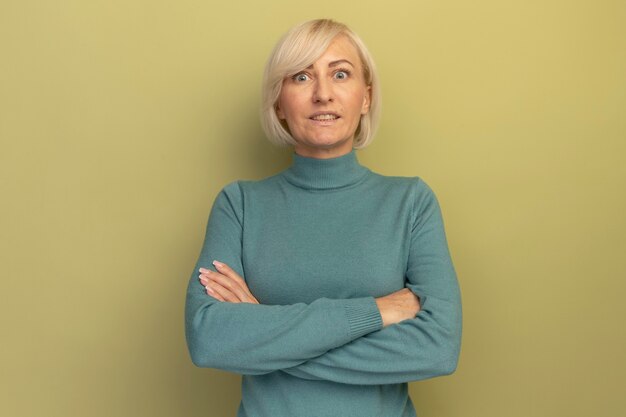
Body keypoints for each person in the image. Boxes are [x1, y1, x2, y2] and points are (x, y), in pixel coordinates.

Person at [185, 18, 462, 417]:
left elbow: (438, 348)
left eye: (341, 74)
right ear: (279, 102)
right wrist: (376, 312)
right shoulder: (240, 205)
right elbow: (209, 340)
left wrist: (263, 330)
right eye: (301, 77)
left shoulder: (410, 203)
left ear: (365, 97)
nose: (323, 94)